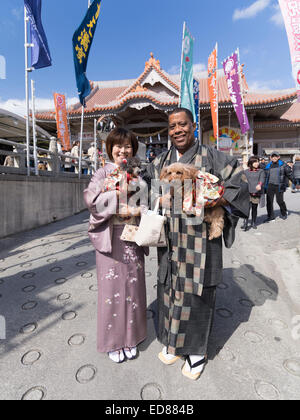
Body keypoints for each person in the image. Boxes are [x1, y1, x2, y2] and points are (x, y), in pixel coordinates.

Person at [142, 107, 249, 380]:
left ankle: (197, 353)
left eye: (182, 124)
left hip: (201, 242)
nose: (177, 130)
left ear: (193, 126)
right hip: (170, 241)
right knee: (169, 290)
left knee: (197, 294)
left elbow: (239, 183)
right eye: (172, 126)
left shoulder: (214, 157)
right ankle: (175, 343)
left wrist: (218, 200)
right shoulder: (160, 161)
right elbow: (146, 190)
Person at [84, 128, 148, 364]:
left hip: (132, 235)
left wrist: (140, 207)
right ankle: (113, 341)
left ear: (134, 149)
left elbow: (146, 201)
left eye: (128, 146)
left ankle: (132, 337)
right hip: (110, 237)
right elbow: (92, 201)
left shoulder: (137, 173)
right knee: (111, 291)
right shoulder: (101, 173)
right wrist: (118, 193)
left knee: (133, 289)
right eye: (118, 146)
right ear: (110, 148)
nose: (123, 150)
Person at [264, 151, 293, 222]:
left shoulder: (283, 165)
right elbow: (264, 176)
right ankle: (271, 216)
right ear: (270, 158)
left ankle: (284, 212)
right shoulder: (268, 166)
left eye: (275, 156)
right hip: (270, 186)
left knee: (279, 201)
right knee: (269, 202)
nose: (274, 158)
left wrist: (296, 182)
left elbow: (290, 174)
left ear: (278, 157)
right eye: (272, 156)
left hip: (279, 186)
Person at [243, 156, 265, 231]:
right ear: (250, 163)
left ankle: (253, 222)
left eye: (257, 161)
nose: (257, 163)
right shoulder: (246, 172)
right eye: (255, 162)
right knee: (246, 208)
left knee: (254, 208)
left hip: (256, 193)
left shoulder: (261, 171)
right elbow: (242, 181)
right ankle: (245, 223)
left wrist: (260, 184)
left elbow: (262, 179)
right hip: (247, 193)